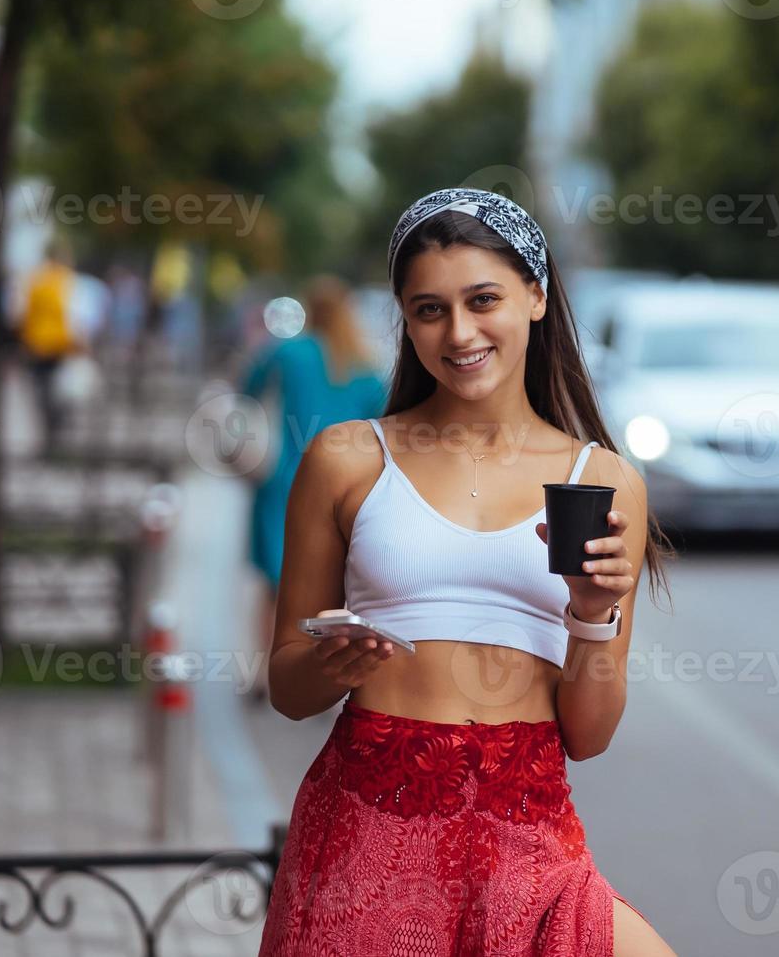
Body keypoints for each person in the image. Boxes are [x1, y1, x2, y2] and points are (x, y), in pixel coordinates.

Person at [257, 188, 679, 956]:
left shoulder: (602, 481)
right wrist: (331, 663)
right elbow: (287, 689)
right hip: (367, 828)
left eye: (482, 300)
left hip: (529, 836)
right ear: (404, 320)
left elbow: (586, 736)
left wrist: (591, 612)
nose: (458, 333)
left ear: (537, 295)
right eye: (427, 310)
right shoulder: (347, 459)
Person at [242, 275, 389, 701]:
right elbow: (381, 431)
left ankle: (263, 672)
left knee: (276, 583)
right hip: (347, 491)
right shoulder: (365, 368)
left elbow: (247, 388)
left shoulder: (289, 351)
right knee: (336, 581)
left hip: (284, 480)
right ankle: (334, 667)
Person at [15, 240, 82, 455]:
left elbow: (24, 313)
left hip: (36, 343)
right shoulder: (67, 280)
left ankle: (48, 428)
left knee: (41, 390)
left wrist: (23, 341)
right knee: (60, 390)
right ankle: (55, 429)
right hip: (61, 344)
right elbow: (75, 314)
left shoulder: (35, 279)